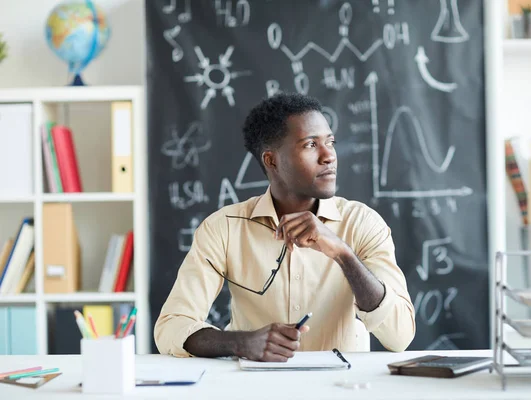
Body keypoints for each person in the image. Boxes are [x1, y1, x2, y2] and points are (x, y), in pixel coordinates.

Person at [154, 92, 415, 361]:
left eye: (330, 142)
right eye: (310, 145)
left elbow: (400, 336)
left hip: (342, 388)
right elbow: (171, 327)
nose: (329, 156)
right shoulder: (223, 228)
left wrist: (343, 253)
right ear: (272, 160)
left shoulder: (362, 223)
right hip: (257, 388)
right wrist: (241, 343)